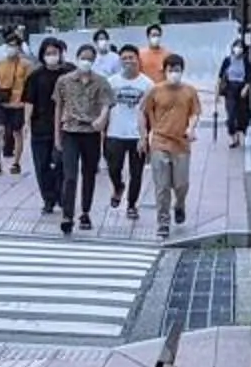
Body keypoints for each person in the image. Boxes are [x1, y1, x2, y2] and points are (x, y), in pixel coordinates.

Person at [51, 40, 113, 232]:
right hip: (70, 131)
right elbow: (58, 107)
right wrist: (57, 137)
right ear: (77, 59)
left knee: (89, 174)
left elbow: (107, 104)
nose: (86, 62)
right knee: (70, 176)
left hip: (91, 133)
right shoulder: (64, 81)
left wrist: (102, 119)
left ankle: (85, 212)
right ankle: (67, 214)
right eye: (83, 58)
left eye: (90, 59)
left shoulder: (101, 82)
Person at [144, 51, 202, 230]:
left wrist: (190, 128)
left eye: (177, 70)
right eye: (171, 70)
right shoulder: (155, 90)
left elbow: (195, 113)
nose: (174, 73)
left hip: (181, 143)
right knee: (162, 185)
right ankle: (163, 220)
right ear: (165, 71)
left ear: (182, 71)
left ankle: (179, 205)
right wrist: (147, 134)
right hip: (160, 142)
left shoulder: (189, 91)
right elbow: (145, 111)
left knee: (181, 184)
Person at [102, 46, 154, 222]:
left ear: (138, 59)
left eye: (131, 58)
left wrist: (146, 137)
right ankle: (118, 187)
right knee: (113, 167)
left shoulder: (147, 84)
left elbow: (149, 113)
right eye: (124, 58)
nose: (128, 61)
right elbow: (105, 107)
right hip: (115, 132)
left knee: (136, 173)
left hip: (136, 135)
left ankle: (132, 205)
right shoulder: (111, 82)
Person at [24, 36, 70, 218]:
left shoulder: (69, 73)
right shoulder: (36, 76)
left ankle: (62, 195)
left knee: (61, 164)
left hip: (65, 126)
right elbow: (29, 101)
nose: (52, 56)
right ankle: (48, 199)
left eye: (55, 53)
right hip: (41, 126)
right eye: (48, 53)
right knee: (42, 165)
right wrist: (26, 123)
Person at [0, 34, 30, 174]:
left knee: (17, 133)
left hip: (18, 104)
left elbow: (29, 84)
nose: (11, 48)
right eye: (9, 45)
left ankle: (16, 162)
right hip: (2, 103)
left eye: (14, 45)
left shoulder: (25, 65)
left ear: (19, 48)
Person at [218, 38, 251, 142]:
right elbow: (220, 76)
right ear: (232, 48)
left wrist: (246, 88)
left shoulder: (245, 62)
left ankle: (240, 132)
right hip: (230, 89)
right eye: (236, 46)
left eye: (241, 47)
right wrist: (217, 92)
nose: (238, 49)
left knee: (241, 114)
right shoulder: (227, 60)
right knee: (231, 113)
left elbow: (250, 77)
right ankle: (233, 136)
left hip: (241, 89)